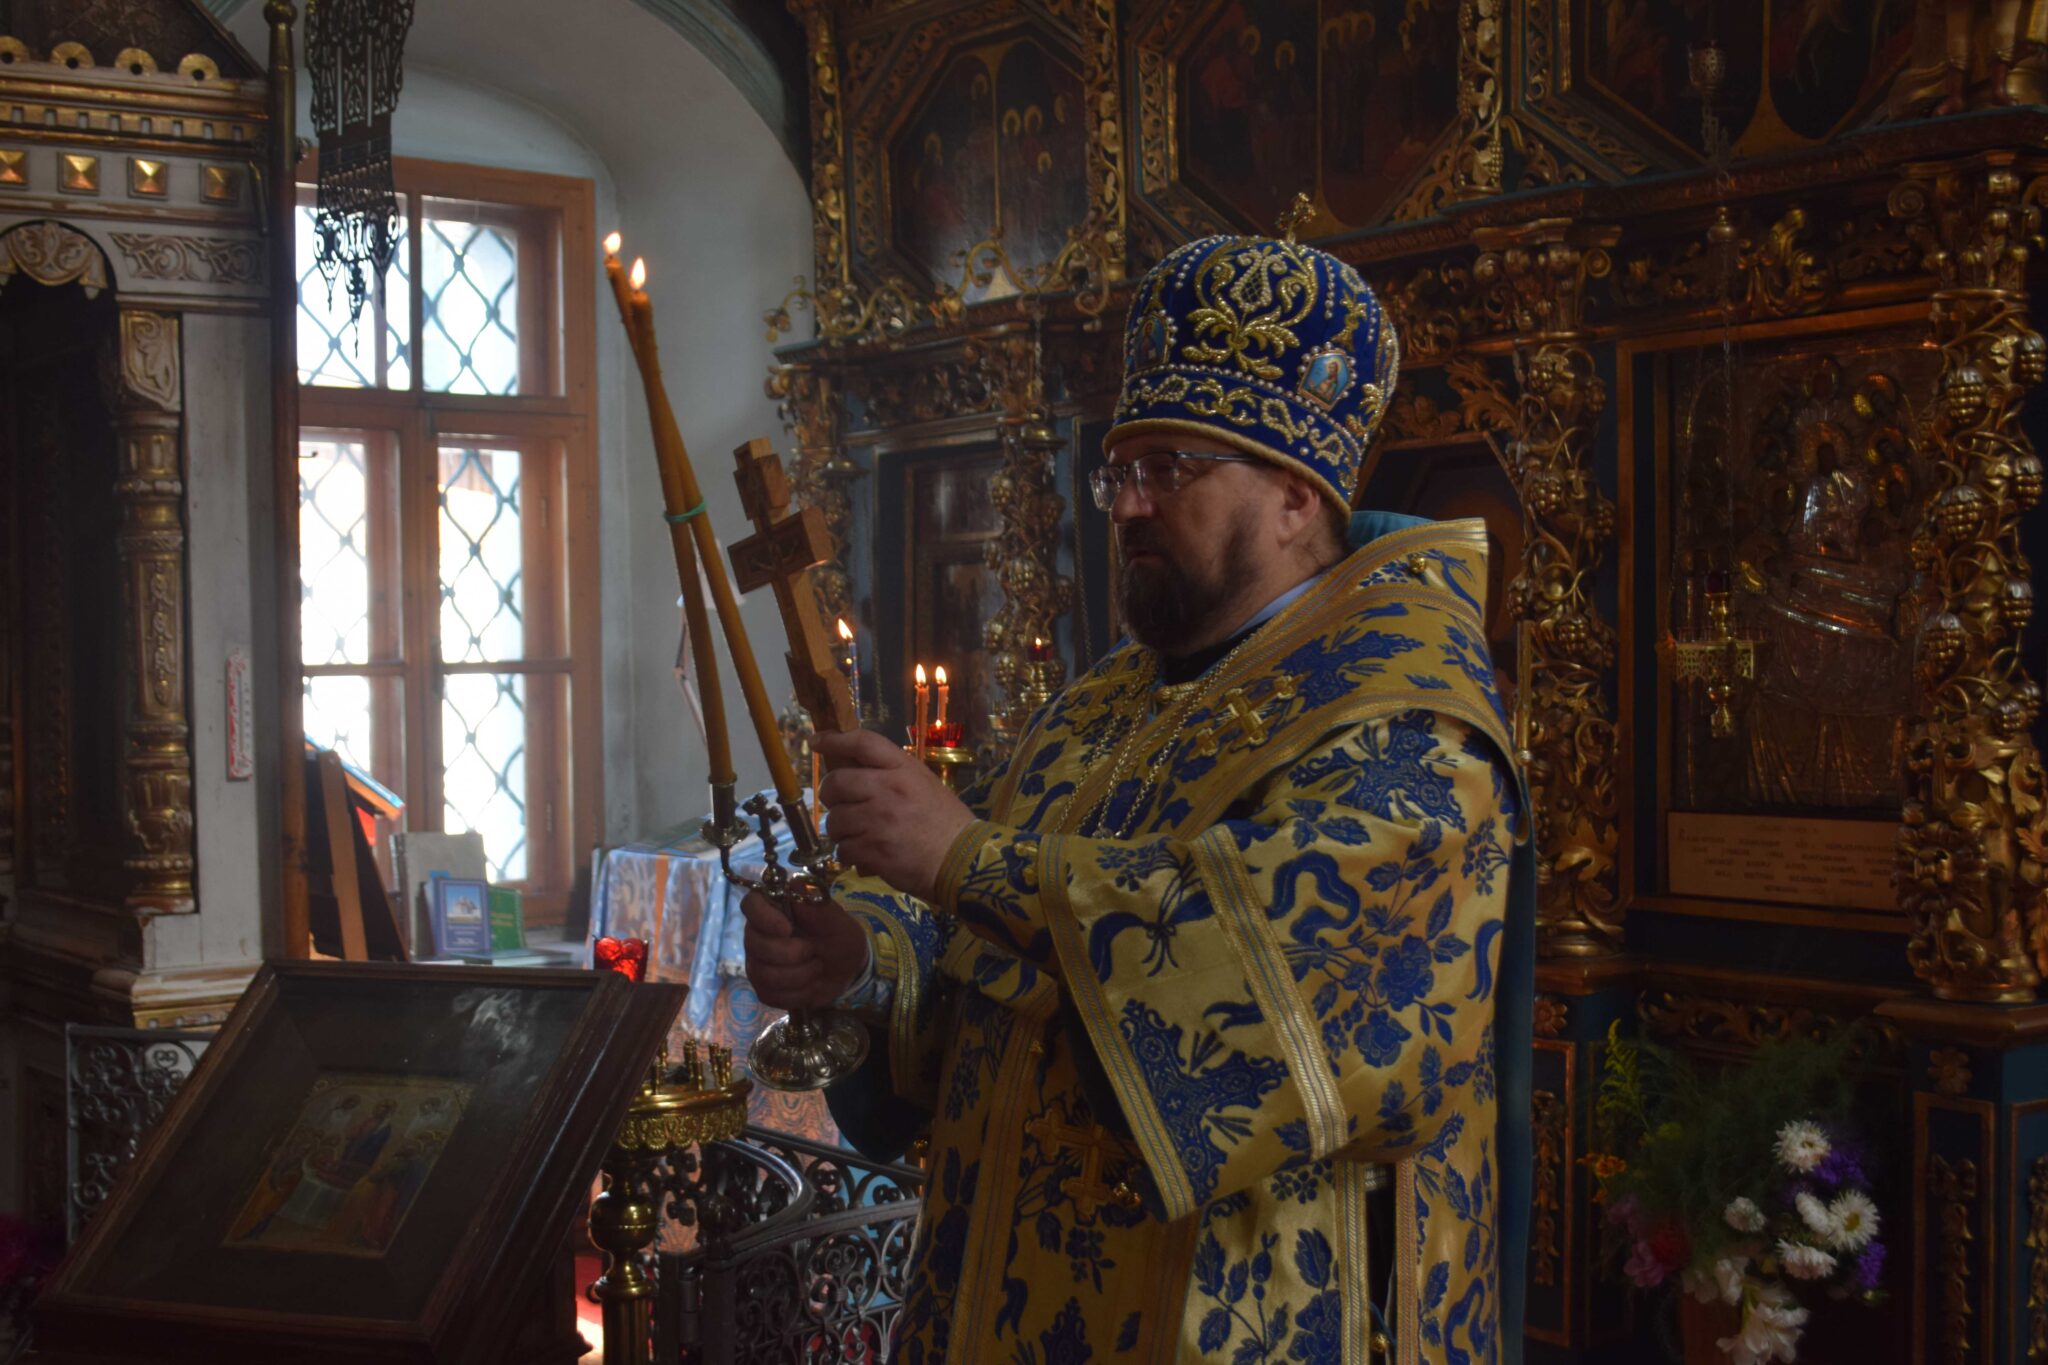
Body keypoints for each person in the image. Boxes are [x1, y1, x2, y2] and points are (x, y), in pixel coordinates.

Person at [743, 232, 1534, 1364]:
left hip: (1252, 1317)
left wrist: (964, 858)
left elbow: (1270, 977)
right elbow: (997, 969)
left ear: (1295, 496)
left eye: (1171, 469)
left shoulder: (1408, 720)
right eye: (1120, 471)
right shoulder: (1100, 708)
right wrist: (861, 964)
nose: (1125, 504)